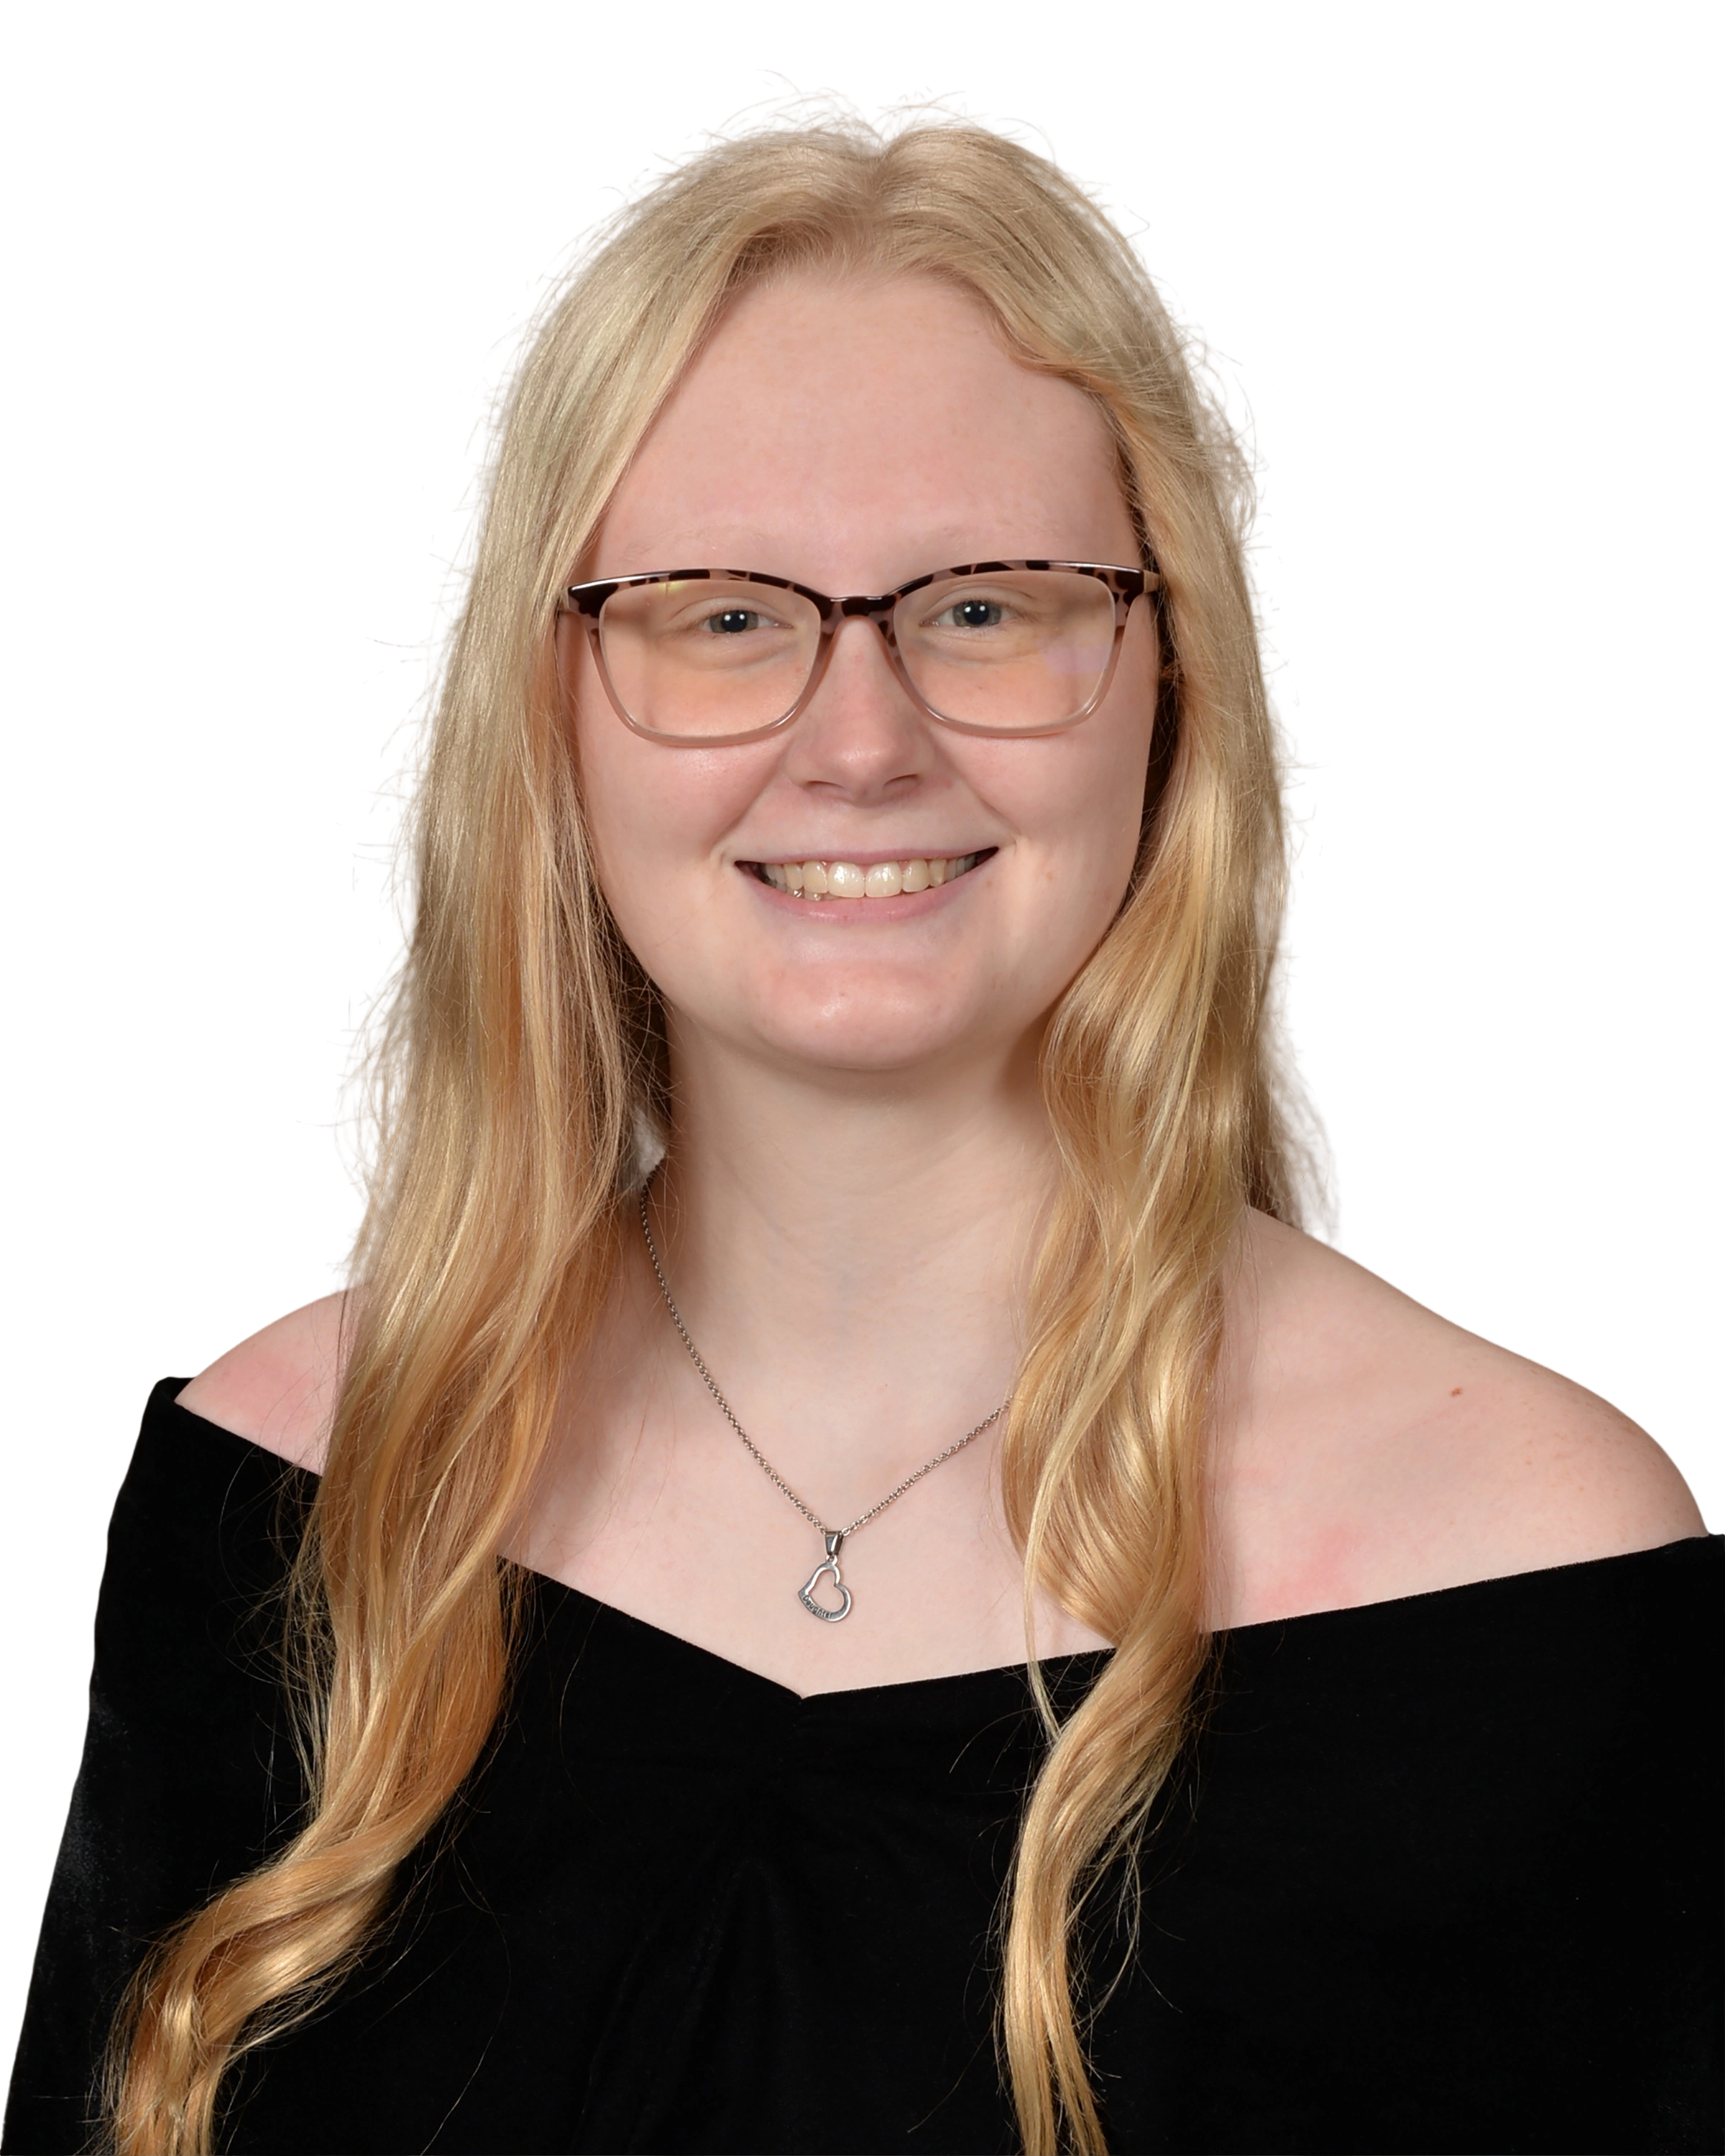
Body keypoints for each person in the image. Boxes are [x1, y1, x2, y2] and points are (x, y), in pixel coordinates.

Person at [6, 80, 1718, 2156]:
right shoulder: (284, 1484)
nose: (860, 742)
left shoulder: (1536, 1574)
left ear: (1171, 683)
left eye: (985, 606)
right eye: (724, 615)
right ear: (549, 712)